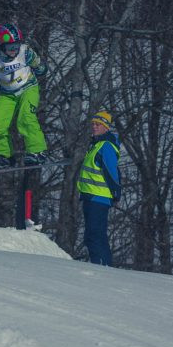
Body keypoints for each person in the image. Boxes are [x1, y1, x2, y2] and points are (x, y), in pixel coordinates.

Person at [0, 23, 48, 170]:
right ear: (1, 46)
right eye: (10, 47)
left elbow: (38, 64)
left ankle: (37, 152)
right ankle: (4, 156)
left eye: (16, 46)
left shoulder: (25, 51)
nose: (14, 50)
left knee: (26, 118)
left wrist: (41, 68)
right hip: (7, 94)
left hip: (28, 88)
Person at [77, 111, 121, 266]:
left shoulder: (106, 146)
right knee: (91, 236)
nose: (94, 127)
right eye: (93, 124)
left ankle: (102, 267)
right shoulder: (96, 145)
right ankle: (99, 265)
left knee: (95, 235)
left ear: (106, 127)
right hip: (90, 197)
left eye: (98, 124)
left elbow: (111, 171)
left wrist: (116, 194)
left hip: (99, 198)